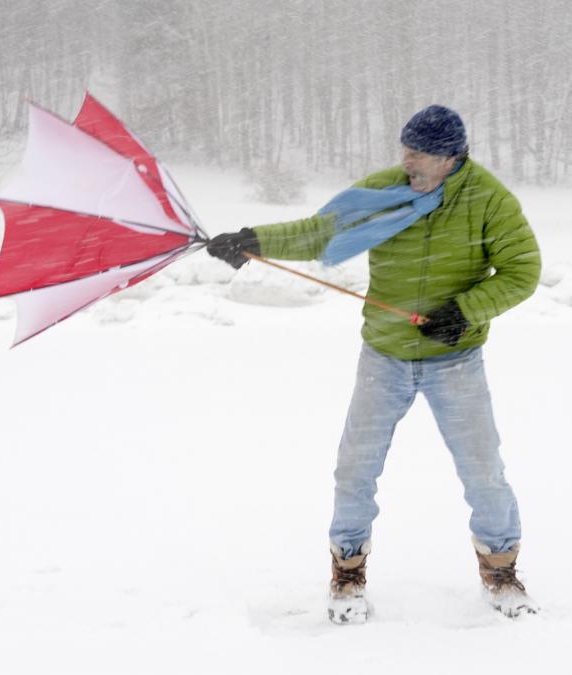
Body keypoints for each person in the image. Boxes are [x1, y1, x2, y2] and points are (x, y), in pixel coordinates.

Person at [207, 105, 541, 624]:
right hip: (384, 355)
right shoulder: (384, 189)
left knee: (483, 471)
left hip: (455, 360)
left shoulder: (488, 199)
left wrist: (464, 311)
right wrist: (252, 241)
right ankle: (348, 569)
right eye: (404, 148)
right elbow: (318, 232)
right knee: (355, 467)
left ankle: (500, 571)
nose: (406, 160)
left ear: (451, 157)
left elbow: (522, 270)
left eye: (418, 152)